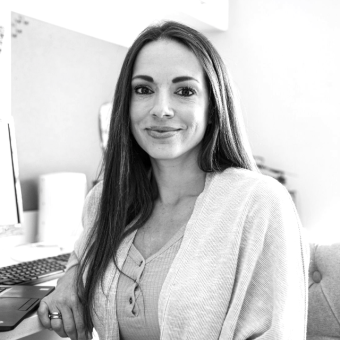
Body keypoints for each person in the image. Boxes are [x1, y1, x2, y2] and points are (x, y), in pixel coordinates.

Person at [38, 21, 309, 340]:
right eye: (143, 89)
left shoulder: (260, 204)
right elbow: (82, 256)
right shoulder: (105, 201)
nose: (161, 109)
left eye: (184, 91)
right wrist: (70, 279)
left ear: (212, 107)